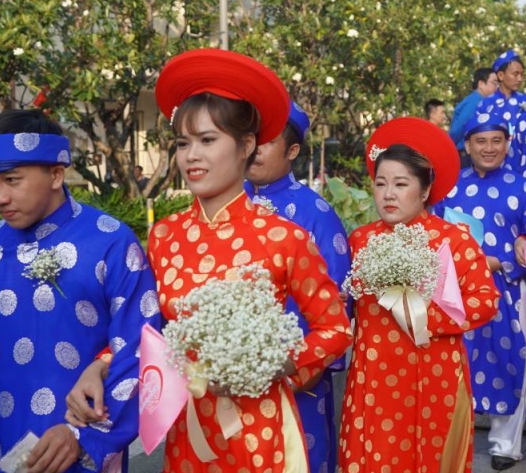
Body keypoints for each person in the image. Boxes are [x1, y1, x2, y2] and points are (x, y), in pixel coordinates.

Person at [66, 49, 354, 472]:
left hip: (262, 432)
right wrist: (101, 365)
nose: (191, 156)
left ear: (247, 145)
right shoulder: (166, 235)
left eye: (207, 140)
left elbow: (336, 327)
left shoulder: (284, 237)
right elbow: (144, 326)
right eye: (183, 143)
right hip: (187, 430)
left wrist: (280, 364)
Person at [0, 109, 160, 473]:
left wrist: (85, 436)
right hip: (3, 448)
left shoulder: (111, 241)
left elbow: (141, 348)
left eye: (11, 179)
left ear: (56, 174)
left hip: (82, 451)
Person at [339, 117, 499, 472]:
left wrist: (426, 317)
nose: (388, 194)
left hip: (434, 372)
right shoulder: (361, 240)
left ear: (425, 190)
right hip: (374, 372)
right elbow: (342, 305)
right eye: (381, 184)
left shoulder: (453, 240)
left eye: (400, 184)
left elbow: (485, 301)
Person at [434, 112, 526, 472]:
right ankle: (452, 440)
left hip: (507, 291)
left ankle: (506, 445)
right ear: (466, 145)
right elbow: (432, 231)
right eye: (480, 141)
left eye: (496, 140)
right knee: (456, 361)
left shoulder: (523, 187)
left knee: (510, 360)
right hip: (454, 289)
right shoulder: (448, 186)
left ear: (507, 144)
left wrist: (512, 257)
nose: (489, 148)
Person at [245, 99, 352, 473]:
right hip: (228, 376)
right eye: (250, 137)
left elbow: (338, 300)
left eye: (267, 141)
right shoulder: (224, 202)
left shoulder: (316, 213)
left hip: (297, 374)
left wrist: (309, 367)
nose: (254, 148)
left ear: (292, 151)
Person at [450, 67, 499, 166]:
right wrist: (448, 148)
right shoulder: (475, 102)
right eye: (494, 83)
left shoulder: (482, 102)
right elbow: (459, 128)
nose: (497, 87)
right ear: (481, 84)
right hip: (466, 156)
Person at [476, 49, 526, 127]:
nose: (520, 79)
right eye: (515, 74)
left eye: (522, 74)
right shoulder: (485, 105)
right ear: (501, 75)